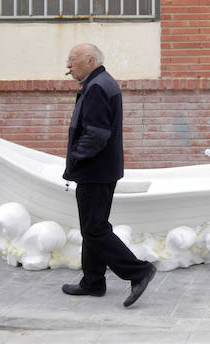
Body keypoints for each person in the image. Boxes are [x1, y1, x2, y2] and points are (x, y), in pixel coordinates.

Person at [61, 43, 156, 307]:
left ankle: (138, 271)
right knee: (93, 226)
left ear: (90, 60)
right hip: (100, 170)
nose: (68, 66)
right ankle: (93, 282)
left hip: (94, 170)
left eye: (72, 60)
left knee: (94, 229)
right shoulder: (101, 83)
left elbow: (96, 134)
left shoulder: (97, 88)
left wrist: (77, 157)